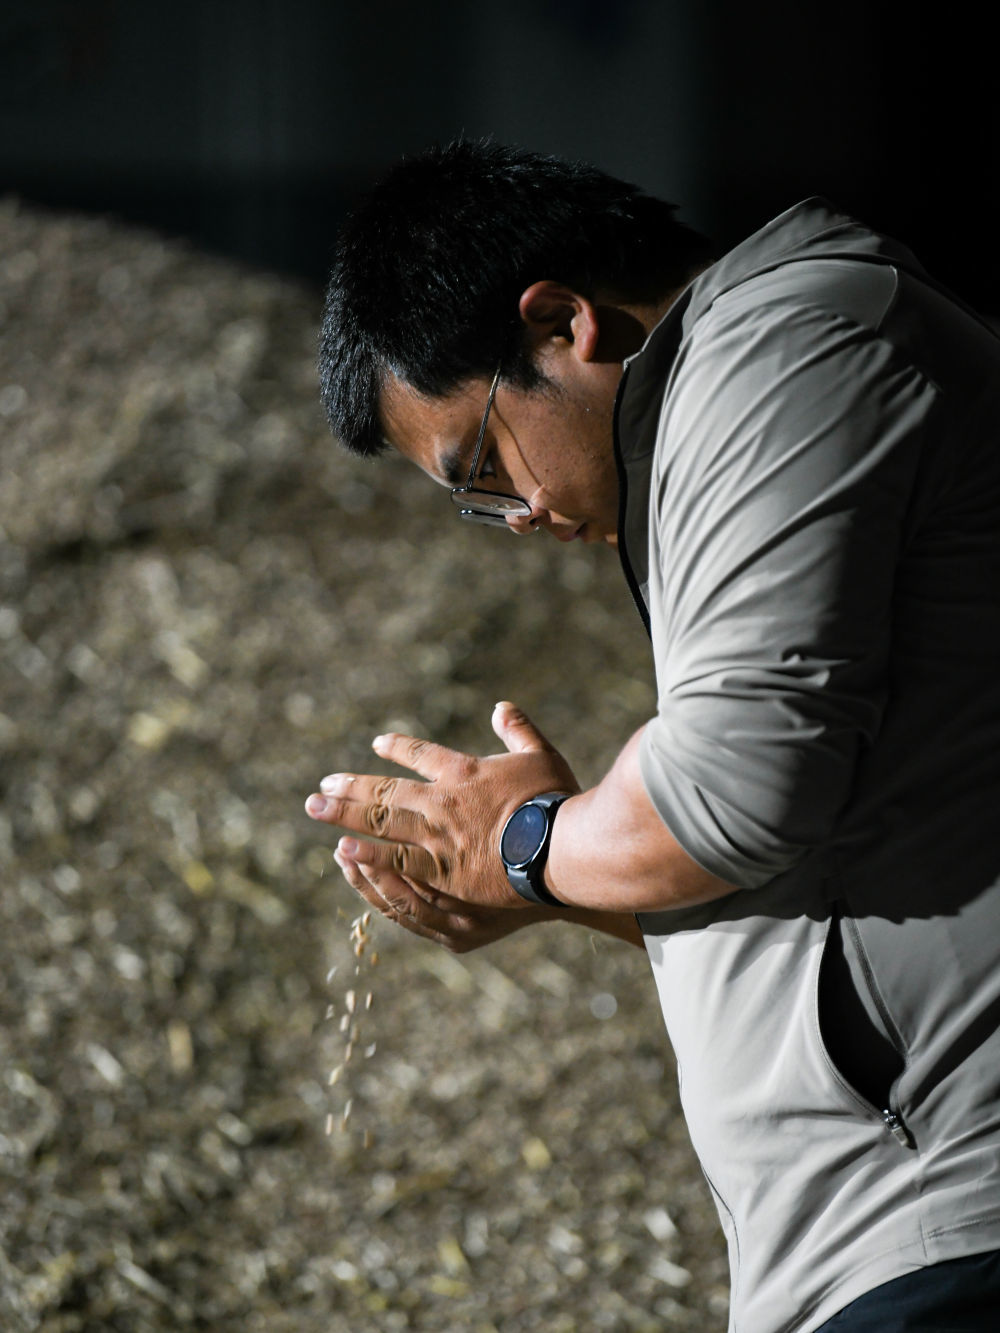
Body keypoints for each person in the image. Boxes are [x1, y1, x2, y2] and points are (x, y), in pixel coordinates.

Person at [304, 140, 1000, 1332]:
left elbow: (736, 795)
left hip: (948, 1209)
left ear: (565, 321)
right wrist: (560, 877)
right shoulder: (729, 401)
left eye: (480, 464)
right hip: (875, 1235)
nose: (512, 515)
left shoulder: (789, 344)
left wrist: (524, 839)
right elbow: (817, 868)